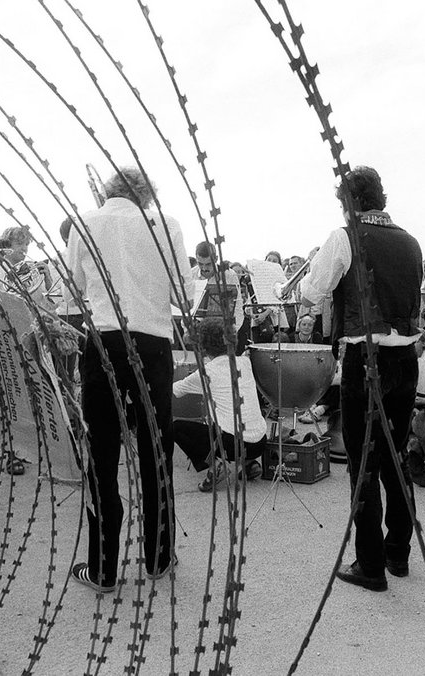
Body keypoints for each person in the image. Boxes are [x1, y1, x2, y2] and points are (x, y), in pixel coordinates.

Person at [65, 167, 192, 592]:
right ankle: (158, 556)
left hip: (102, 341)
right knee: (156, 445)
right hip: (152, 344)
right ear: (148, 194)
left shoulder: (85, 221)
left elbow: (72, 288)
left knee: (101, 449)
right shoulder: (166, 225)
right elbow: (183, 293)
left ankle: (102, 568)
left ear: (108, 191)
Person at [299, 165, 421, 592]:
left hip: (365, 359)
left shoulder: (344, 236)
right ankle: (398, 553)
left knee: (363, 461)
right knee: (396, 454)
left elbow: (313, 291)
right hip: (406, 358)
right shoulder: (411, 241)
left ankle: (370, 565)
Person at [173, 320, 266, 492]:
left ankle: (214, 466)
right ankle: (248, 463)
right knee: (228, 419)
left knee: (176, 427)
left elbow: (174, 391)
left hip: (231, 444)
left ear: (202, 346)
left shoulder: (207, 372)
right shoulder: (245, 363)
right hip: (260, 442)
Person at [193, 240, 246, 353]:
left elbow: (237, 307)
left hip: (222, 331)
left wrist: (232, 331)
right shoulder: (191, 275)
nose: (204, 268)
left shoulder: (230, 275)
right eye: (200, 264)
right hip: (199, 332)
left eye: (208, 264)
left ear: (216, 259)